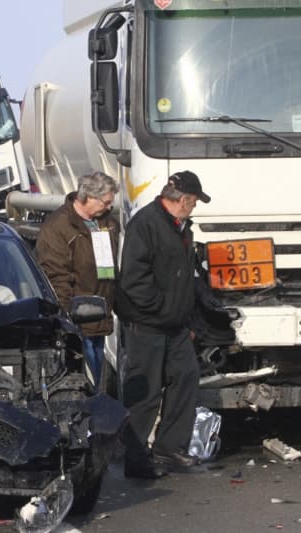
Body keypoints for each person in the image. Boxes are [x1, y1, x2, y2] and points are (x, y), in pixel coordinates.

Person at [115, 170, 211, 479]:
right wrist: (160, 308)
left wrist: (186, 316)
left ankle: (170, 448)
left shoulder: (180, 227)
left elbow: (184, 278)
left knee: (186, 377)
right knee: (145, 392)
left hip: (176, 325)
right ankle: (135, 454)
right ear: (183, 200)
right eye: (194, 202)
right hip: (148, 324)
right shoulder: (146, 224)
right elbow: (134, 278)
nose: (194, 207)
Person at [36, 171, 120, 385]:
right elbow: (56, 276)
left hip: (101, 312)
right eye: (106, 202)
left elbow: (112, 269)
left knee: (97, 374)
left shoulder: (107, 223)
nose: (109, 207)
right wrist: (67, 317)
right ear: (89, 197)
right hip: (78, 317)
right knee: (85, 377)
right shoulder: (58, 227)